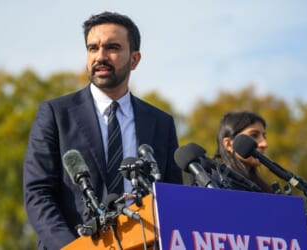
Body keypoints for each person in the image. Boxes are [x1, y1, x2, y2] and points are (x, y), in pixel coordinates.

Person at [23, 11, 183, 250]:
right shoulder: (56, 114)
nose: (100, 56)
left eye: (112, 47)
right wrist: (73, 247)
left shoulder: (161, 122)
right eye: (93, 48)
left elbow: (173, 198)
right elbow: (38, 192)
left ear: (135, 59)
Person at [213, 110, 274, 193]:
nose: (264, 144)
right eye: (254, 135)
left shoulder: (262, 188)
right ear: (228, 144)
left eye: (264, 136)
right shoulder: (214, 184)